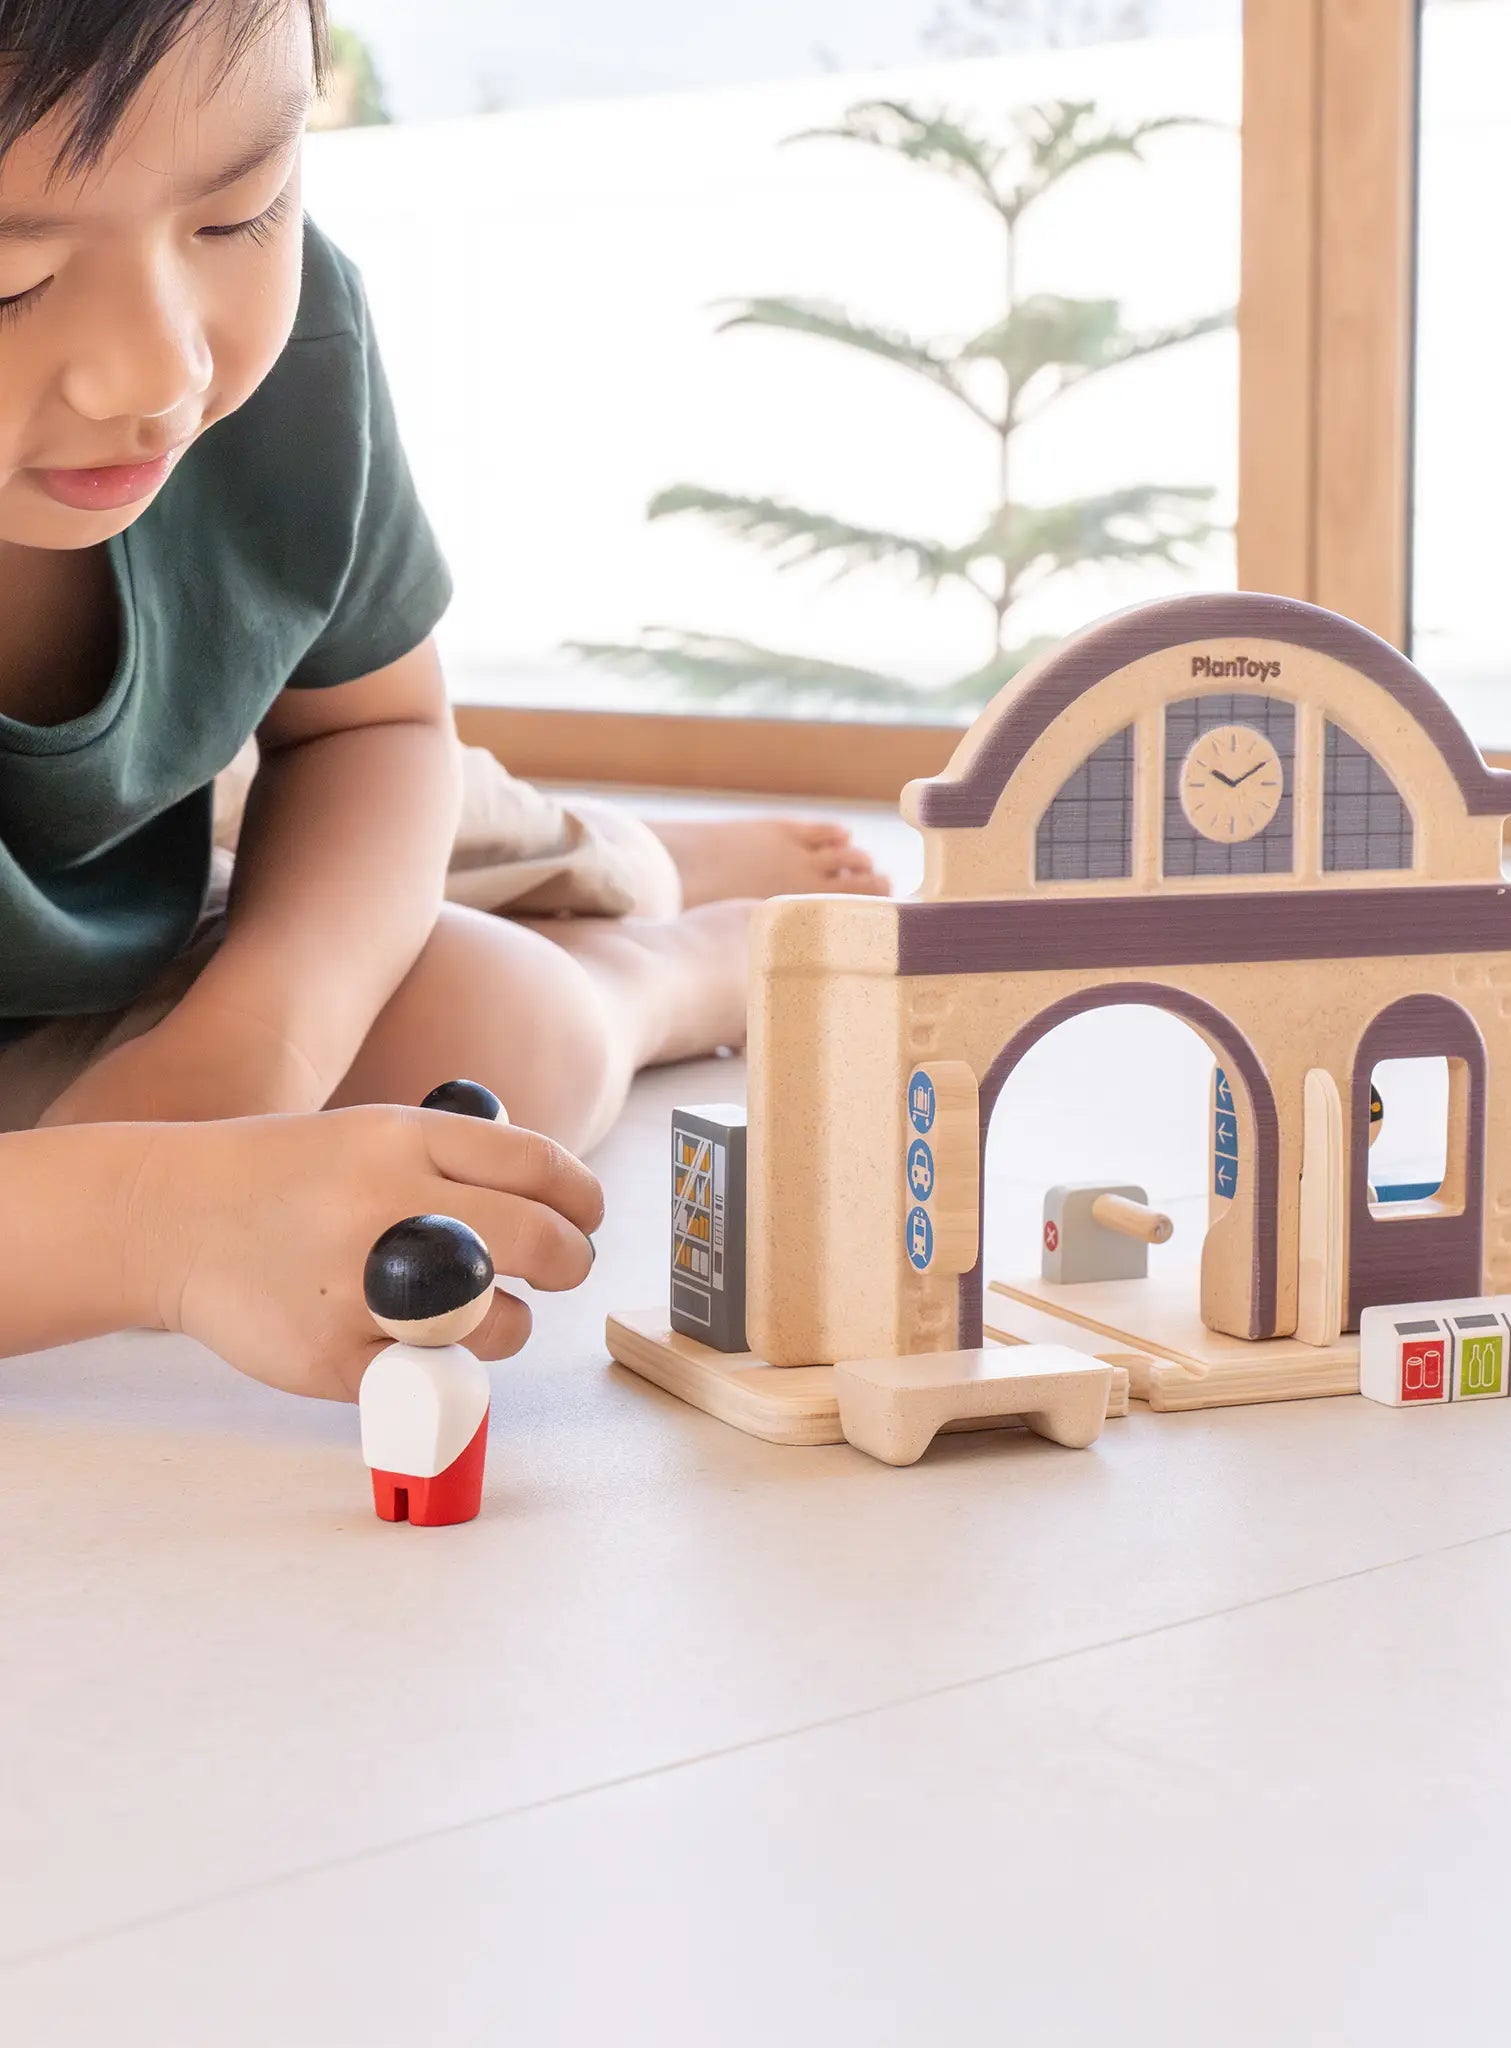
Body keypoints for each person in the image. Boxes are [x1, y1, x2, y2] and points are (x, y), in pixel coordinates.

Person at [0, 0, 887, 1397]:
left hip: (168, 830)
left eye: (239, 211)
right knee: (449, 1007)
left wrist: (250, 1051)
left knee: (496, 992)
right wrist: (149, 1219)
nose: (160, 373)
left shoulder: (292, 357)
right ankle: (592, 886)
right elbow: (147, 1212)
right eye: (10, 281)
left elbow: (372, 726)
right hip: (114, 896)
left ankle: (643, 932)